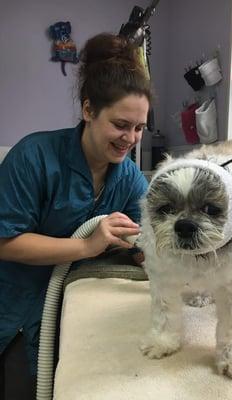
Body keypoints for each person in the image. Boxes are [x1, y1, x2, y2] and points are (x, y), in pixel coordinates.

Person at [0, 32, 153, 399]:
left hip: (77, 313)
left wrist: (151, 252)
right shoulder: (34, 157)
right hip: (15, 307)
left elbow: (145, 237)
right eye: (120, 124)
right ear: (88, 111)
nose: (130, 138)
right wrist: (87, 245)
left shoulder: (129, 178)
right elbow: (5, 241)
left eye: (139, 128)